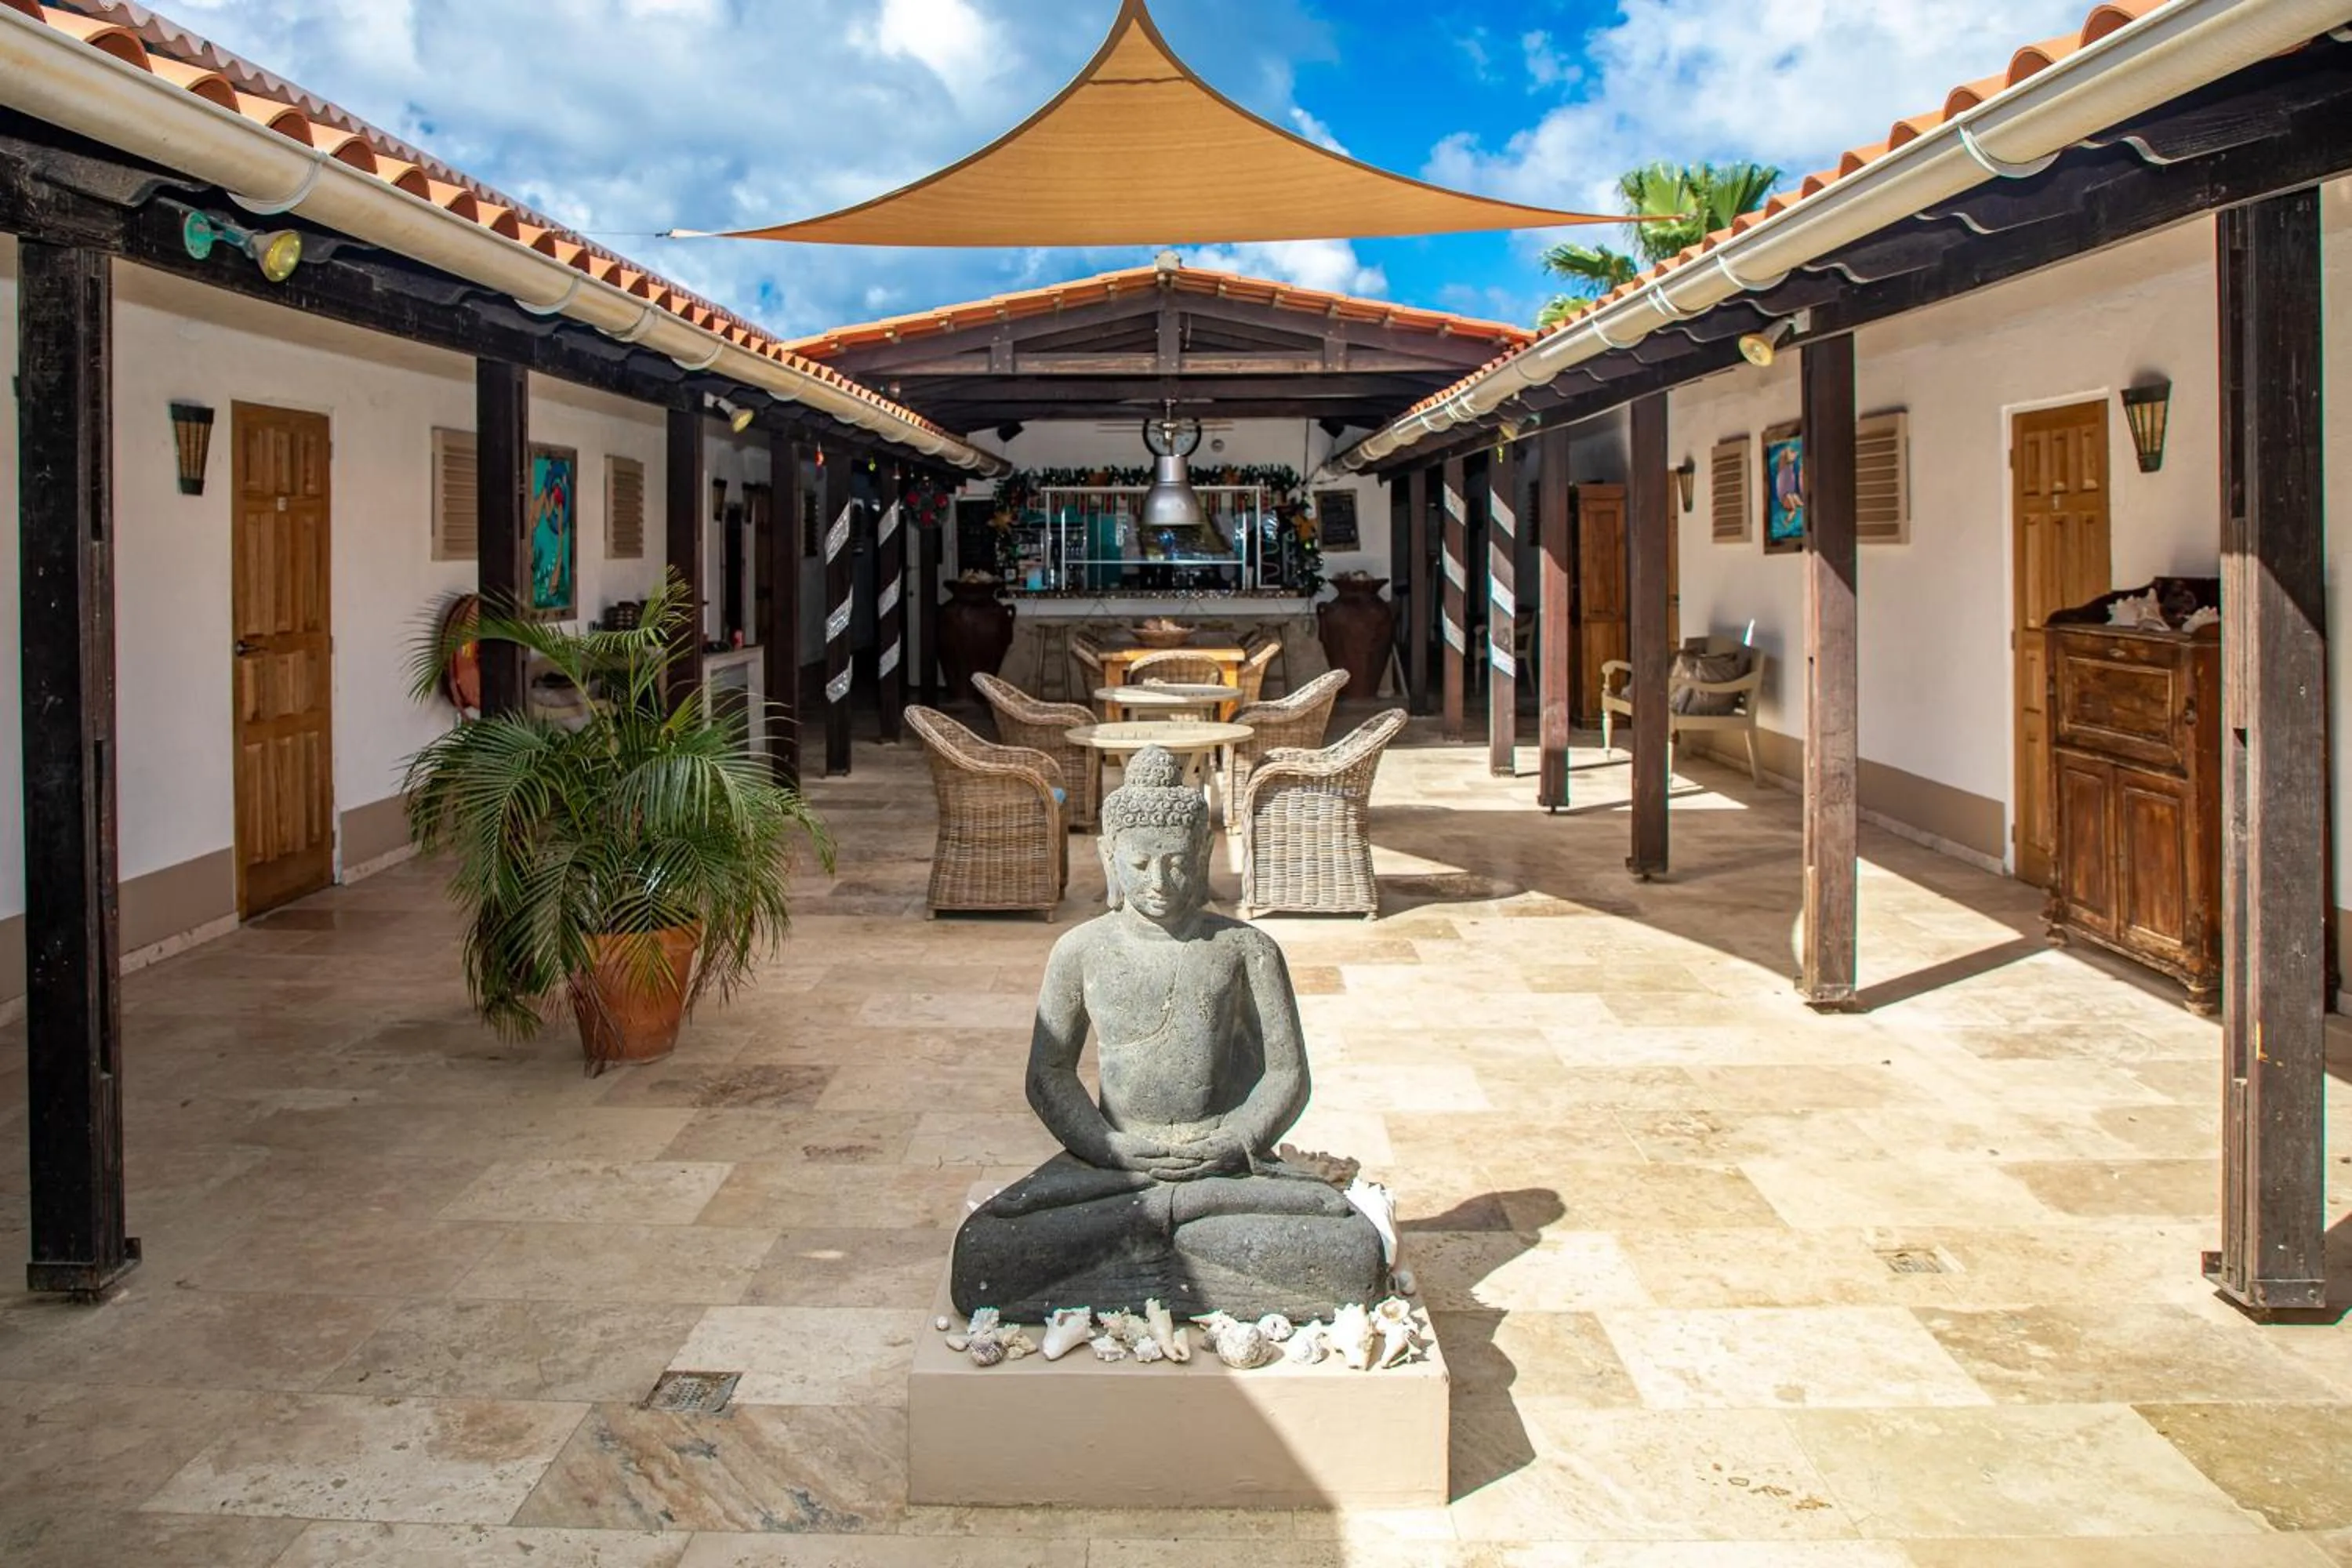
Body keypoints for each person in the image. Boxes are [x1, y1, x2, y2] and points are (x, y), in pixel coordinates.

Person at [949, 747, 1385, 1321]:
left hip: (1224, 1167)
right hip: (1114, 1165)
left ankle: (1148, 1249)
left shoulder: (1245, 949)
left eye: (1178, 862)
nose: (1159, 881)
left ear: (1203, 853)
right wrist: (1109, 1146)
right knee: (985, 1249)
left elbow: (1287, 1076)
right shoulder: (1080, 951)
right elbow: (1048, 1074)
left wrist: (1233, 1141)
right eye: (1140, 864)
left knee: (1352, 1249)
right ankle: (1182, 1251)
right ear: (1110, 857)